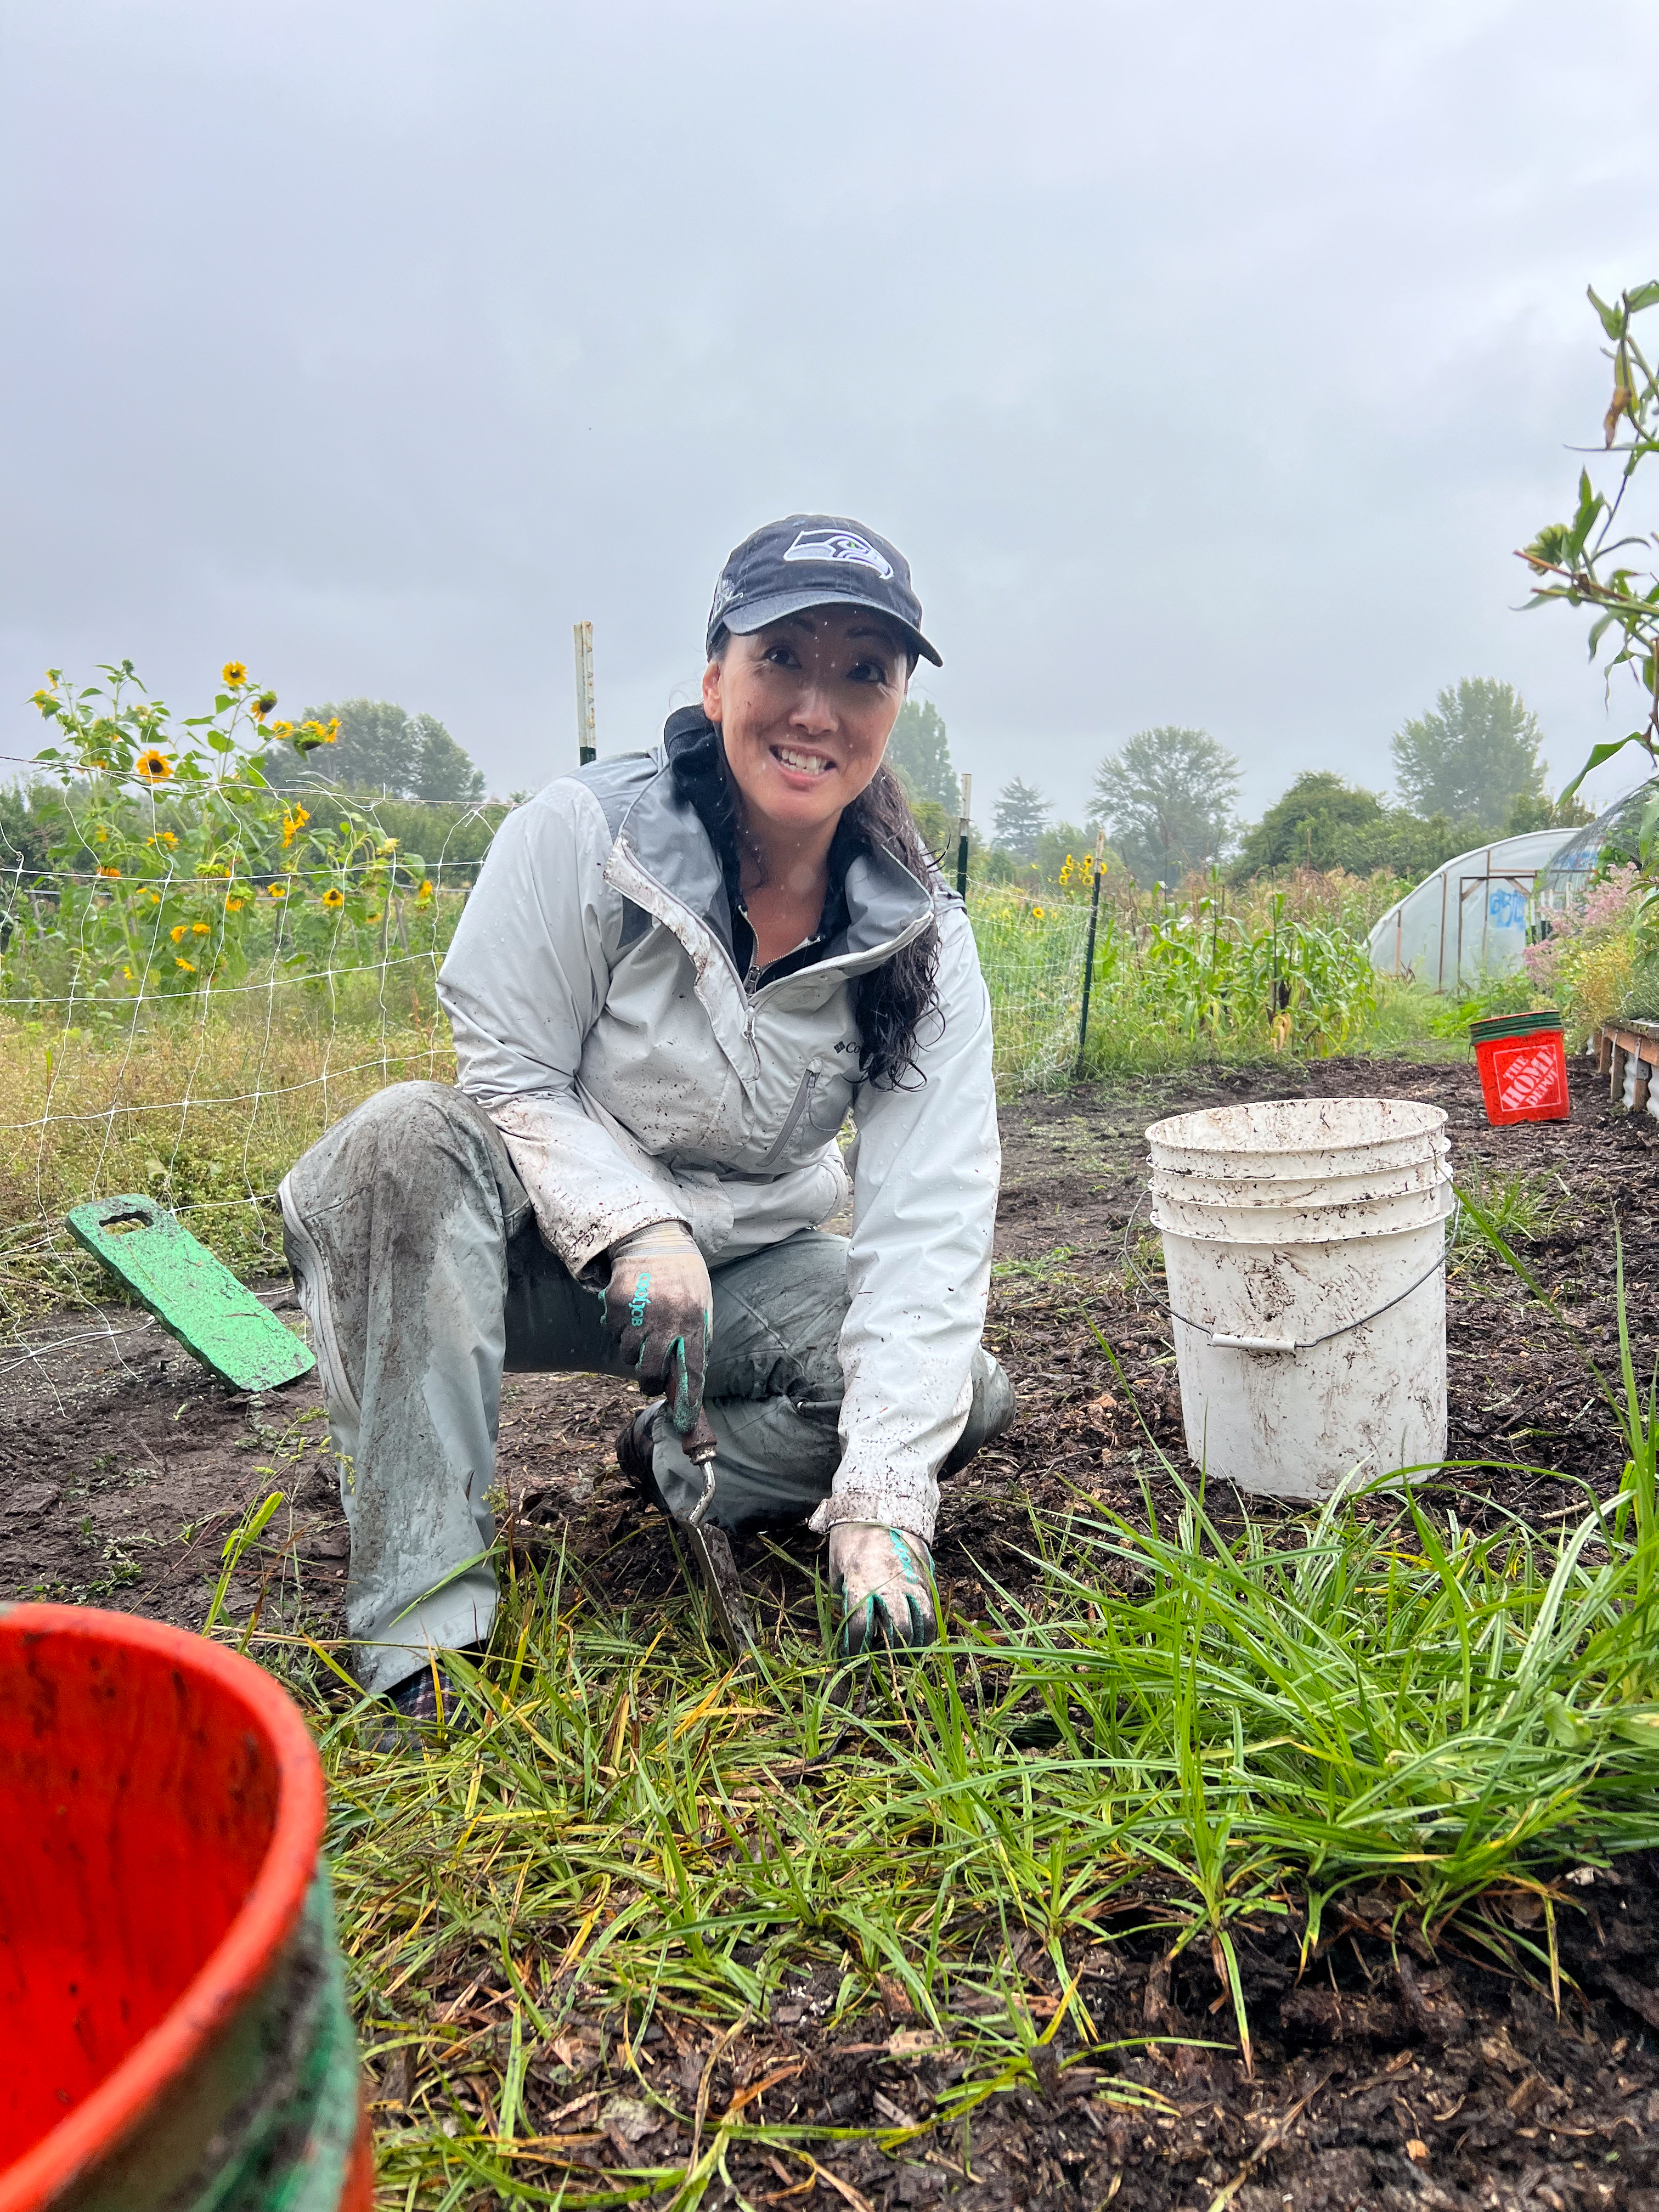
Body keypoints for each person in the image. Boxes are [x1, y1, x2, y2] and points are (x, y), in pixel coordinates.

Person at [278, 513, 1013, 1725]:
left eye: (862, 673)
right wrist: (634, 1225)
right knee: (402, 1136)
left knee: (961, 1398)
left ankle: (678, 1461)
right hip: (530, 1257)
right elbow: (506, 1065)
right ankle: (425, 1632)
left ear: (894, 708)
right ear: (717, 676)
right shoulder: (586, 836)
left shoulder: (923, 935)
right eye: (784, 658)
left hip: (748, 1274)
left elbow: (929, 1214)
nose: (816, 709)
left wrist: (884, 1506)